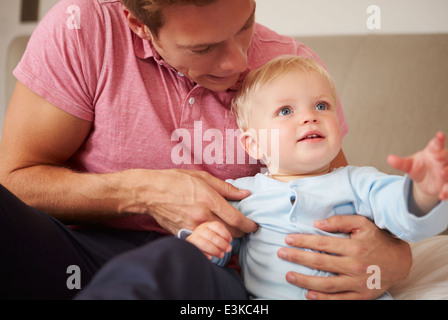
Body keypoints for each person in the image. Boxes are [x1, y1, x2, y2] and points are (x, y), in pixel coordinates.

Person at [0, 0, 411, 300]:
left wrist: (394, 258)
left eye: (246, 23)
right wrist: (142, 192)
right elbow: (15, 179)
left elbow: (335, 197)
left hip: (208, 273)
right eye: (203, 48)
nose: (237, 61)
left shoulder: (291, 69)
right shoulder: (83, 29)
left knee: (168, 264)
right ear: (139, 25)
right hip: (80, 250)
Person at [181, 56, 448, 299]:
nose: (310, 117)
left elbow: (401, 212)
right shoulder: (242, 194)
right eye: (286, 111)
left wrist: (424, 192)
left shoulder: (357, 182)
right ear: (254, 145)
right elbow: (217, 243)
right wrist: (205, 242)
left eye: (322, 105)